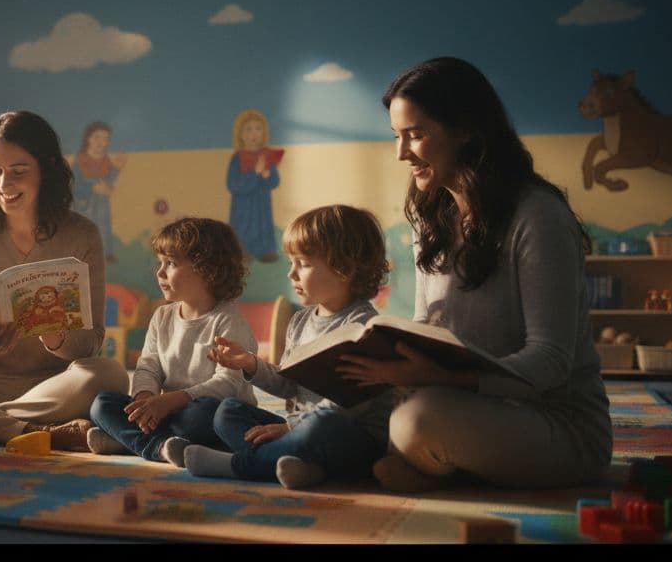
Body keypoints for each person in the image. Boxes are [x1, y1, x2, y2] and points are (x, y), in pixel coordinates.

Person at [338, 56, 612, 491]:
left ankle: (431, 464)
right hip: (467, 403)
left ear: (465, 129)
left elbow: (550, 361)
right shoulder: (432, 219)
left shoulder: (537, 215)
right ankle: (436, 464)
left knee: (416, 421)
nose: (401, 153)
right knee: (354, 411)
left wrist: (439, 377)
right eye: (397, 136)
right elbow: (432, 327)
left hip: (557, 424)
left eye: (416, 135)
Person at [0, 110, 129, 450]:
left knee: (110, 375)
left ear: (46, 171)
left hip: (51, 384)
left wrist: (57, 336)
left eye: (18, 172)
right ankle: (32, 429)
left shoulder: (83, 235)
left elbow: (91, 341)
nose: (3, 185)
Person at [186, 205, 394, 489]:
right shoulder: (299, 322)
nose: (291, 274)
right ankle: (303, 468)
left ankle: (240, 465)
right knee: (228, 411)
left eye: (303, 264)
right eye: (291, 262)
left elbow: (347, 406)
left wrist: (289, 428)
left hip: (349, 437)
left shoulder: (364, 326)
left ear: (343, 268)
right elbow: (288, 385)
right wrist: (250, 363)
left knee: (321, 427)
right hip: (299, 431)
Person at [87, 217, 258, 466]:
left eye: (171, 263)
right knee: (102, 405)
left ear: (207, 270)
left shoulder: (228, 320)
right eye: (160, 262)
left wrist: (170, 401)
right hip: (165, 410)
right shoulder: (162, 315)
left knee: (206, 413)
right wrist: (144, 400)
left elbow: (227, 384)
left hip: (203, 412)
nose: (159, 272)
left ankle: (131, 442)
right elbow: (148, 365)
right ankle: (160, 446)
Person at [226, 109, 282, 262]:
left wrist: (267, 176)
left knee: (263, 226)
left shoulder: (266, 155)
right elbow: (233, 185)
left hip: (262, 203)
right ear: (240, 134)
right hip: (243, 206)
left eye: (258, 129)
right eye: (248, 129)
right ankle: (243, 252)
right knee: (243, 228)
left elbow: (275, 181)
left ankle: (266, 251)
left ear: (263, 133)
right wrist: (254, 174)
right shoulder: (237, 158)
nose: (253, 134)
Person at [72, 121, 127, 264]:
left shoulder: (106, 160)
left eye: (105, 139)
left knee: (103, 223)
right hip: (83, 202)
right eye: (97, 137)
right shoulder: (81, 160)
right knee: (86, 227)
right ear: (88, 139)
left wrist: (117, 168)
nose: (101, 142)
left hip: (100, 200)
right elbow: (75, 183)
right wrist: (92, 187)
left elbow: (108, 180)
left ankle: (106, 252)